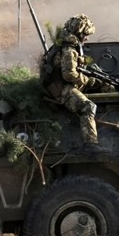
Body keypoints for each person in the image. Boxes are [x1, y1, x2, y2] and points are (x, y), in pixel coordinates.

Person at [42, 14, 99, 146]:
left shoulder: (69, 45)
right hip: (61, 89)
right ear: (79, 33)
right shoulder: (68, 50)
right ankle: (90, 144)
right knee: (88, 107)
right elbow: (69, 75)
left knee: (101, 81)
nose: (87, 38)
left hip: (66, 84)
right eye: (86, 34)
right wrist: (87, 80)